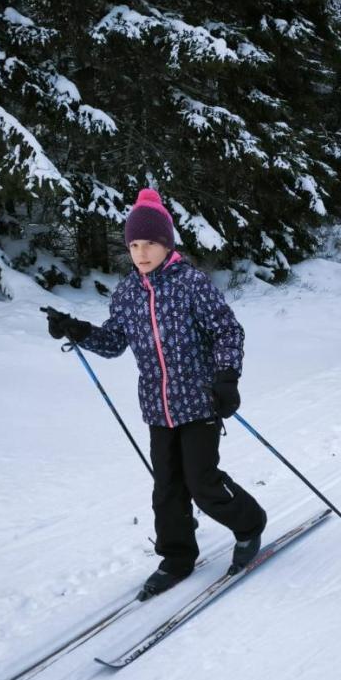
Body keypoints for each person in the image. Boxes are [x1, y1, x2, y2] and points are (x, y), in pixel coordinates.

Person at [45, 188, 266, 598]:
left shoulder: (191, 284)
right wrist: (77, 330)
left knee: (201, 481)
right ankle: (177, 556)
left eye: (150, 243)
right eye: (134, 244)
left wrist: (227, 377)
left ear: (167, 244)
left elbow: (227, 330)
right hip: (157, 408)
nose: (142, 252)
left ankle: (249, 523)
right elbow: (113, 343)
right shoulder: (127, 293)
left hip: (200, 402)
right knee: (166, 489)